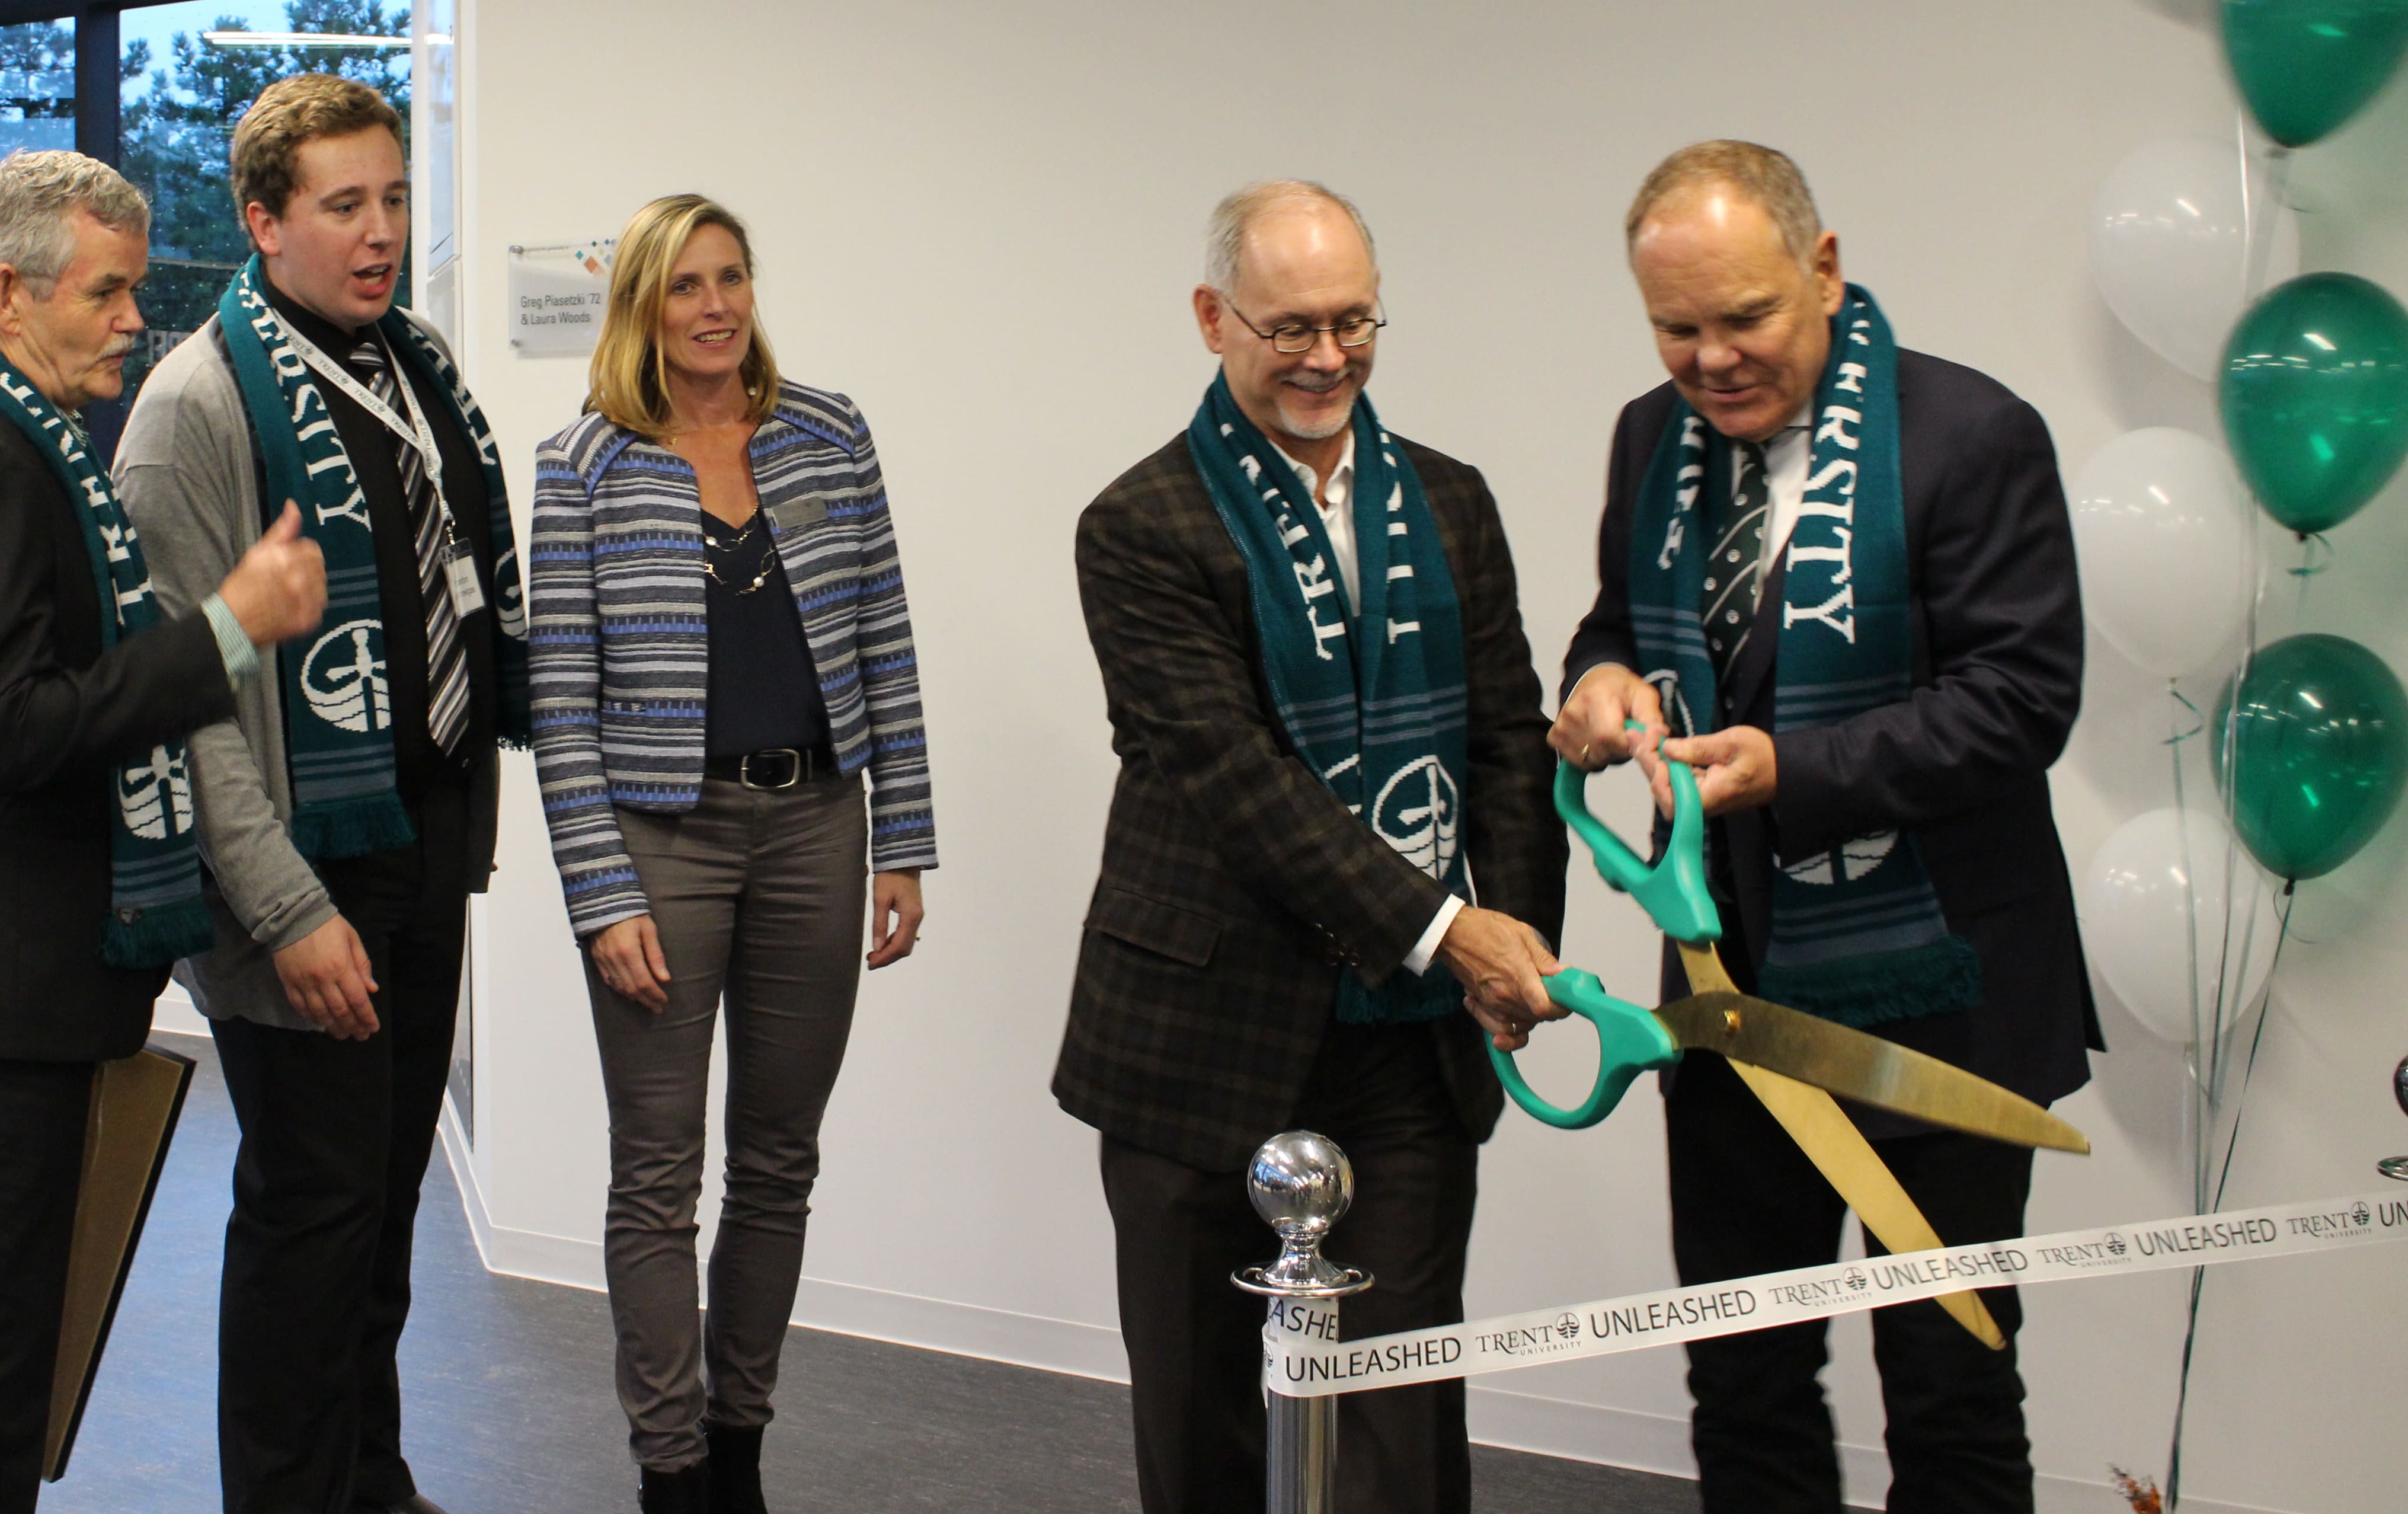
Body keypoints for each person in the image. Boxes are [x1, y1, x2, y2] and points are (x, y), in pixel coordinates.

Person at [1550, 141, 2094, 1514]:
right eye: (1678, 328)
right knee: (1742, 1382)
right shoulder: (1644, 435)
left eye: (1748, 317)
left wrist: (1790, 770)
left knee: (1953, 1389)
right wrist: (1598, 681)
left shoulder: (1974, 435)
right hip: (1728, 995)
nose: (1714, 358)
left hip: (1943, 997)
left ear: (1827, 269)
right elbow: (1619, 620)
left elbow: (2021, 703)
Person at [1057, 180, 1568, 1514]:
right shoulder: (1139, 527)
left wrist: (1513, 942)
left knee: (1401, 1419)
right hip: (1199, 1034)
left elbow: (1507, 742)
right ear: (1213, 318)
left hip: (1405, 1039)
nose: (1328, 357)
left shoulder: (1451, 501)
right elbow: (1237, 780)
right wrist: (1454, 930)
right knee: (1209, 1423)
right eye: (1291, 327)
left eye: (1354, 321)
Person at [0, 149, 325, 1514]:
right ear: (10, 294)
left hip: (21, 986)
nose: (137, 319)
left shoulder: (19, 446)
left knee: (3, 1352)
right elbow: (12, 731)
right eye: (109, 292)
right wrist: (228, 630)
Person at [115, 74, 529, 1514]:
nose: (380, 234)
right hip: (295, 888)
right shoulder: (195, 406)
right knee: (310, 1217)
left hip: (423, 857)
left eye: (395, 198)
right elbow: (181, 711)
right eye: (343, 205)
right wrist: (288, 910)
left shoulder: (414, 369)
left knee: (381, 1212)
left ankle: (373, 1479)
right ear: (263, 221)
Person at [527, 194, 936, 1514]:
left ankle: (741, 1443)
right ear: (641, 305)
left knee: (779, 1159)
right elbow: (563, 707)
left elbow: (886, 640)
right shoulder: (584, 462)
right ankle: (672, 1466)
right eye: (686, 285)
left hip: (819, 825)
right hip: (662, 844)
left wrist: (903, 842)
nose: (715, 307)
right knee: (657, 1171)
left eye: (733, 279)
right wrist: (600, 894)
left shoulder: (829, 434)